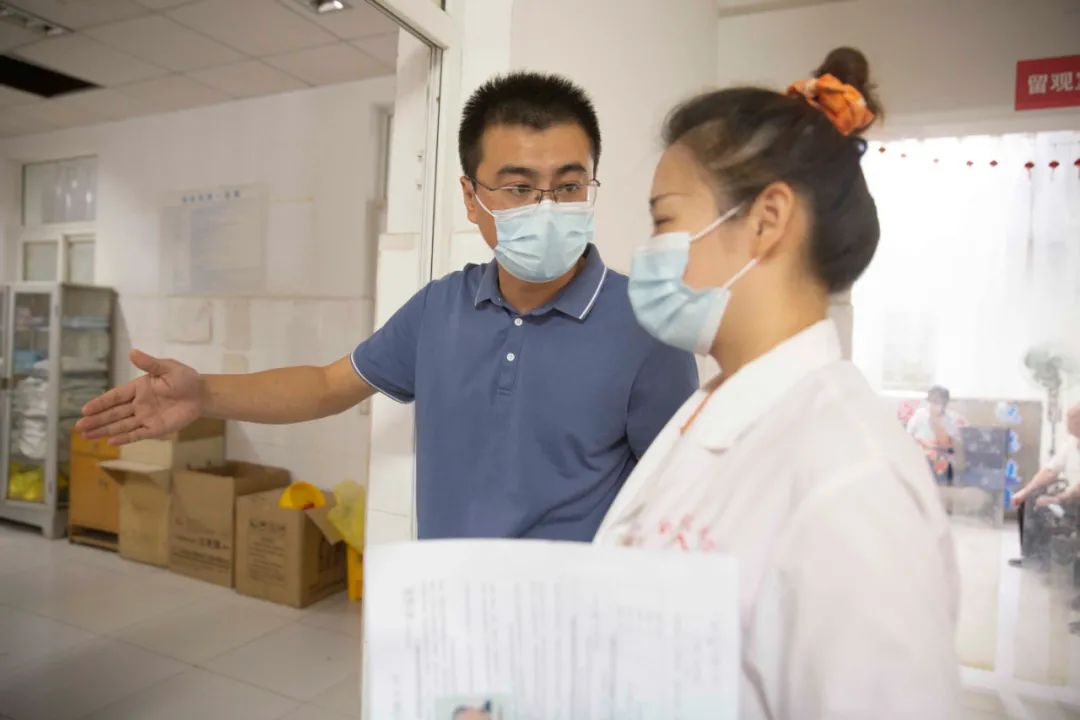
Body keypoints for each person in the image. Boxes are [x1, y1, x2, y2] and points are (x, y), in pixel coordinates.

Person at [75, 73, 698, 541]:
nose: (547, 207)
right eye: (517, 187)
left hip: (571, 624)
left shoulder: (646, 325)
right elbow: (326, 385)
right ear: (471, 197)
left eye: (568, 185)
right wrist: (206, 394)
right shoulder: (440, 307)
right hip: (442, 605)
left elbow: (677, 494)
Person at [593, 48, 961, 718]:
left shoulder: (852, 484)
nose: (648, 251)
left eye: (664, 220)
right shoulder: (716, 407)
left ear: (766, 221)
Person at [1009, 402, 1080, 568]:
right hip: (1070, 498)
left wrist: (1058, 498)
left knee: (1048, 505)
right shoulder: (1071, 444)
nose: (1067, 422)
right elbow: (1050, 471)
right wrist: (1025, 492)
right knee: (1030, 500)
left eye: (1071, 418)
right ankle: (1033, 557)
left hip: (1074, 498)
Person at [906, 385, 961, 484]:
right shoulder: (920, 414)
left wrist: (939, 445)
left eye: (941, 403)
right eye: (934, 402)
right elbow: (908, 434)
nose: (937, 406)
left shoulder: (949, 419)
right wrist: (921, 443)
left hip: (939, 452)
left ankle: (941, 485)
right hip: (920, 451)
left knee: (944, 464)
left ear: (945, 404)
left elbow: (952, 443)